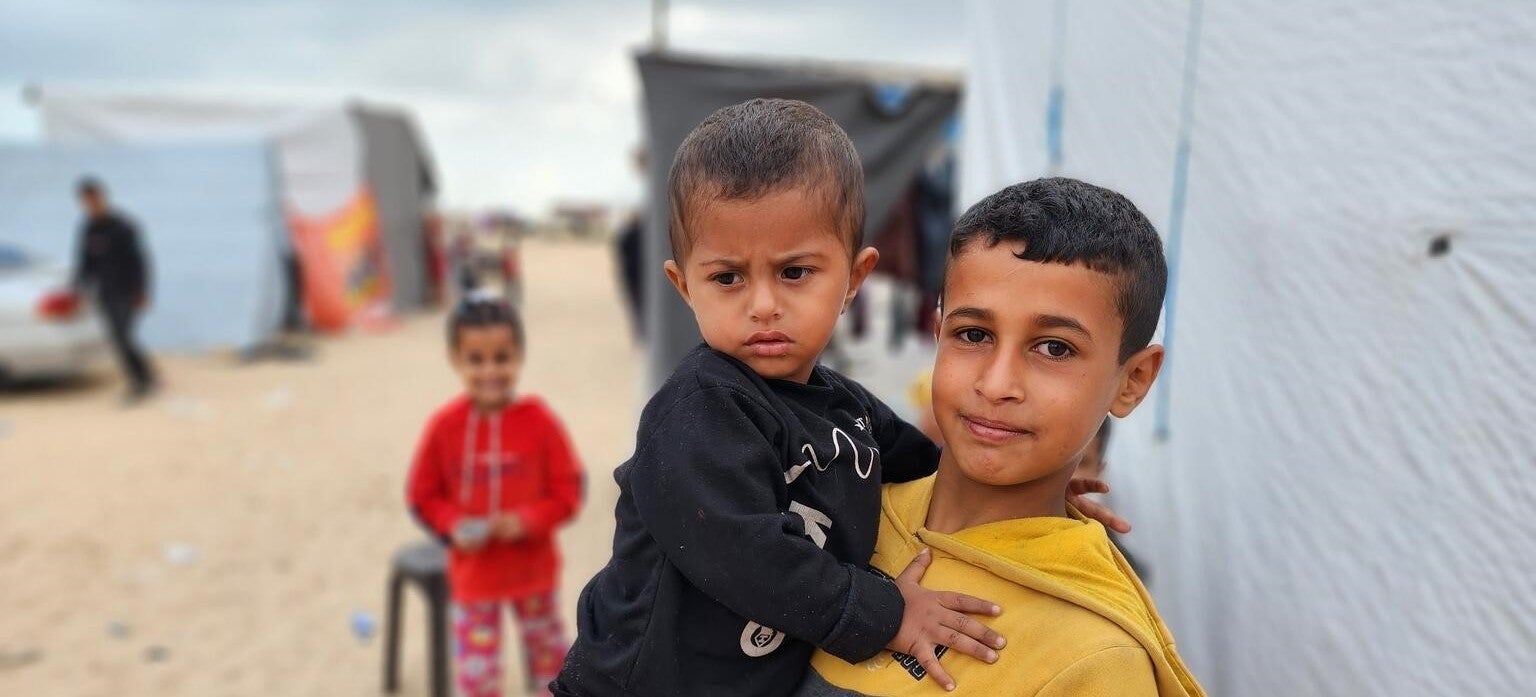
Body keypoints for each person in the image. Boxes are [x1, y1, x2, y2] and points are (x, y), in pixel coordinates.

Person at [552, 99, 1015, 697]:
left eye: (795, 272)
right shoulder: (695, 413)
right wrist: (887, 615)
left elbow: (928, 465)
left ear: (854, 278)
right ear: (684, 285)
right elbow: (750, 555)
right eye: (728, 278)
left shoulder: (847, 409)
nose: (763, 304)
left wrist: (1020, 486)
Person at [796, 178, 1206, 696]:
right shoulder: (831, 511)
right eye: (974, 335)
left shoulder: (1096, 660)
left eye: (1054, 348)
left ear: (1134, 380)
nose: (996, 384)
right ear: (939, 332)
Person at [407, 296, 584, 697]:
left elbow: (569, 491)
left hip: (532, 572)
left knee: (551, 668)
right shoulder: (444, 427)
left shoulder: (540, 422)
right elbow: (422, 495)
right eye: (476, 359)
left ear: (518, 355)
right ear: (456, 359)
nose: (490, 371)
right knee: (478, 678)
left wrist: (526, 520)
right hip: (474, 576)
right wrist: (453, 525)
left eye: (501, 357)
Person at [71, 177, 156, 402]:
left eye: (94, 199)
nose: (91, 204)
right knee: (120, 337)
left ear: (102, 197)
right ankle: (146, 375)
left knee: (122, 335)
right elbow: (85, 263)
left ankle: (140, 382)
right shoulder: (89, 229)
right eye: (86, 201)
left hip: (128, 290)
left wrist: (143, 291)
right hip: (105, 292)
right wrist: (76, 289)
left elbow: (141, 261)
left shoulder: (124, 226)